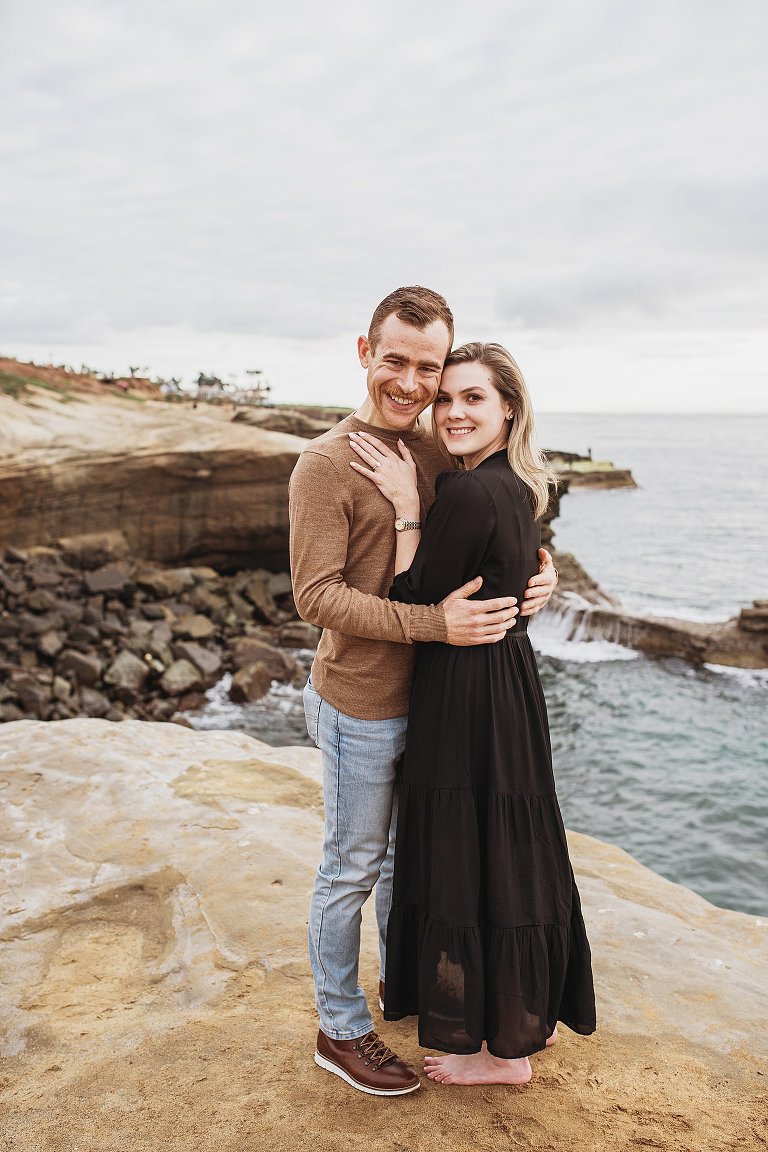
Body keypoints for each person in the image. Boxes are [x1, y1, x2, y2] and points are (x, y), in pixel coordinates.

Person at [289, 288, 559, 1097]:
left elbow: (491, 536)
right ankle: (340, 1029)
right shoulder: (323, 466)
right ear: (365, 352)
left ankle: (400, 990)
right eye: (397, 361)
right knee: (354, 866)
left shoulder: (445, 448)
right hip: (363, 703)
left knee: (415, 866)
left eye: (430, 369)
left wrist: (540, 582)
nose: (412, 384)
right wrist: (433, 627)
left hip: (440, 708)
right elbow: (317, 598)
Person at [348, 340, 596, 1087]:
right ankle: (527, 1016)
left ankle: (495, 1052)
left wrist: (404, 509)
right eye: (445, 398)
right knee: (512, 849)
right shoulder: (516, 485)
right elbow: (512, 572)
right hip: (511, 682)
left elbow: (413, 599)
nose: (453, 411)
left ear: (508, 408)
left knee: (467, 851)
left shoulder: (460, 492)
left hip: (464, 688)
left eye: (473, 398)